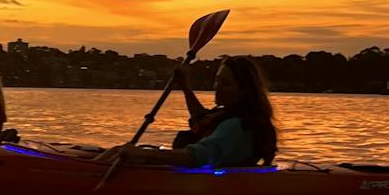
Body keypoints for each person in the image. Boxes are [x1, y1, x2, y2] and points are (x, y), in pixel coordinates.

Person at [98, 55, 278, 168]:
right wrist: (185, 86)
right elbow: (201, 120)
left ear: (244, 90)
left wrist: (144, 153)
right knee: (119, 150)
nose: (217, 87)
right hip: (207, 171)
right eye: (217, 80)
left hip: (209, 182)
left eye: (226, 83)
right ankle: (87, 168)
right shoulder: (229, 116)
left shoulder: (237, 125)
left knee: (127, 154)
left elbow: (197, 155)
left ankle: (85, 173)